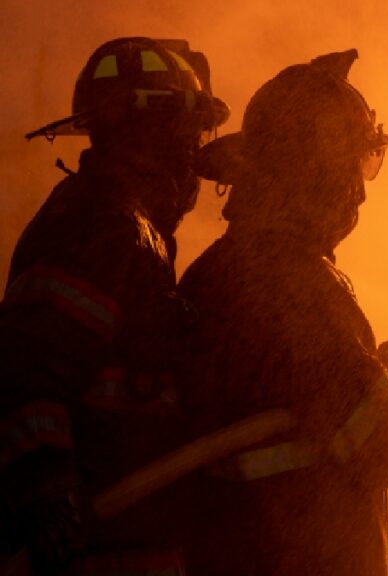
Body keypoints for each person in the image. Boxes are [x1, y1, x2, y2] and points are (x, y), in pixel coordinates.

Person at [178, 50, 388, 576]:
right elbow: (378, 440)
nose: (361, 190)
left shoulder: (216, 274)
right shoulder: (292, 283)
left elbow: (314, 404)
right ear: (310, 171)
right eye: (353, 166)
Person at [0, 37, 229, 575]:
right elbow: (26, 366)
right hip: (96, 552)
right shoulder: (105, 226)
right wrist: (48, 488)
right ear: (156, 132)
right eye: (191, 134)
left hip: (133, 544)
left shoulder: (125, 226)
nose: (197, 155)